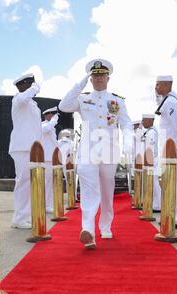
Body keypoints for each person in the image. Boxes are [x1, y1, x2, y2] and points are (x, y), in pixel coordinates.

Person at [58, 58, 133, 249]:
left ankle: (105, 226)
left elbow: (125, 122)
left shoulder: (117, 101)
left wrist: (128, 140)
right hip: (88, 151)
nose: (99, 79)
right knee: (89, 189)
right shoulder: (82, 99)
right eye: (95, 76)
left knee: (107, 191)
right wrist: (80, 82)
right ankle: (88, 230)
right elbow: (63, 106)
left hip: (109, 151)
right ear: (91, 79)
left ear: (108, 77)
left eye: (102, 75)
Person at [9, 73, 42, 229]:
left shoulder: (32, 105)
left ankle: (24, 215)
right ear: (23, 86)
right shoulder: (18, 100)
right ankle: (20, 218)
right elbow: (23, 98)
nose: (33, 88)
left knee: (28, 183)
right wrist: (34, 88)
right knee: (23, 182)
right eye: (30, 85)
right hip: (22, 147)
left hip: (32, 147)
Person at [155, 75, 177, 228]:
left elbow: (176, 128)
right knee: (169, 183)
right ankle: (171, 214)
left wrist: (175, 148)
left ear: (167, 85)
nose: (156, 88)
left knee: (174, 183)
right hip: (166, 149)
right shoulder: (166, 101)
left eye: (158, 85)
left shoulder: (171, 102)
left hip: (172, 149)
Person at [141, 114, 161, 212]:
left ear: (150, 120)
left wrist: (149, 160)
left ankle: (158, 205)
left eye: (144, 120)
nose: (142, 122)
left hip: (152, 160)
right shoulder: (148, 132)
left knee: (154, 182)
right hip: (149, 160)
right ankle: (154, 203)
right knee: (151, 182)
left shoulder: (152, 132)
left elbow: (151, 148)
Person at [41, 107, 59, 213]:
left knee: (49, 183)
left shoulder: (51, 127)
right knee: (46, 183)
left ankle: (48, 204)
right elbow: (45, 129)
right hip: (46, 158)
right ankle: (45, 205)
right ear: (49, 115)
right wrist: (53, 121)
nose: (55, 118)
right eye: (54, 116)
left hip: (51, 158)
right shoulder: (43, 125)